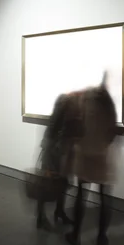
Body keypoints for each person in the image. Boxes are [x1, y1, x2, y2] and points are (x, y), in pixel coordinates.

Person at [65, 77, 118, 245]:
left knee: (82, 194)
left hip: (85, 152)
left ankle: (75, 235)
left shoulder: (84, 99)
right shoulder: (108, 102)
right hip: (102, 154)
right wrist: (105, 144)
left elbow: (75, 125)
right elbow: (114, 129)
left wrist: (79, 142)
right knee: (104, 197)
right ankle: (101, 238)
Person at [36, 93, 81, 230]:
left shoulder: (66, 118)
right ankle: (41, 217)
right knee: (47, 185)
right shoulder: (57, 120)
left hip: (61, 155)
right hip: (53, 156)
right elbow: (49, 140)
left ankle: (59, 211)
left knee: (62, 184)